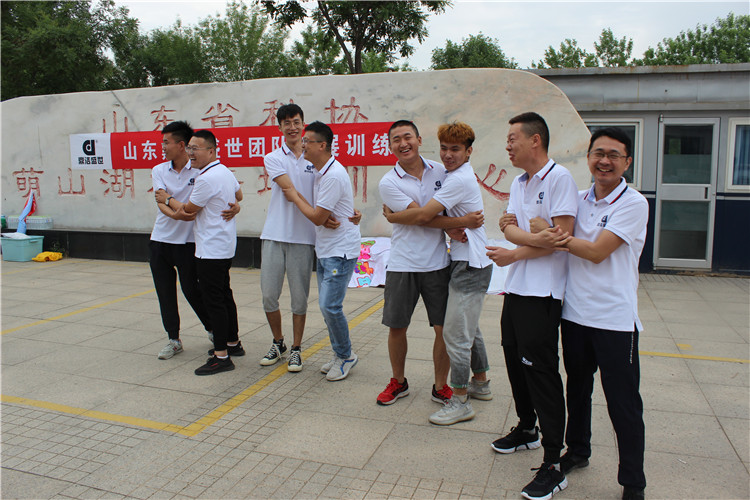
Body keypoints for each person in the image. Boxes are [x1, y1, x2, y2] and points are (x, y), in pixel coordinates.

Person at [535, 128, 648, 500]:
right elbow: (541, 225)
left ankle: (633, 482)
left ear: (627, 162)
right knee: (578, 390)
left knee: (623, 402)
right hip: (575, 314)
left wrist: (553, 235)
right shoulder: (579, 200)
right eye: (598, 153)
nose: (605, 161)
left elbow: (598, 252)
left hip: (614, 320)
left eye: (614, 155)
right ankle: (578, 450)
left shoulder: (633, 203)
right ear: (588, 158)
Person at [485, 112, 577, 500]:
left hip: (543, 293)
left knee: (540, 371)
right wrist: (529, 237)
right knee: (513, 357)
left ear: (535, 140)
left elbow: (561, 238)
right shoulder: (520, 182)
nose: (507, 145)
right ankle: (527, 427)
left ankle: (554, 462)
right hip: (518, 288)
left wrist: (514, 249)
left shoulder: (559, 179)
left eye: (513, 138)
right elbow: (516, 229)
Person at [383, 122, 493, 425]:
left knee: (454, 332)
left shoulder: (448, 175)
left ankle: (458, 398)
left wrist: (393, 217)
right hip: (427, 261)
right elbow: (425, 216)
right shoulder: (391, 181)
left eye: (455, 149)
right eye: (444, 148)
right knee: (466, 328)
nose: (448, 154)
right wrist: (457, 223)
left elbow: (421, 215)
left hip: (460, 262)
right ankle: (480, 382)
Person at [151, 121, 240, 360]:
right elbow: (160, 201)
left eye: (166, 142)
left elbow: (230, 195)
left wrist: (236, 207)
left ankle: (215, 331)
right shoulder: (159, 170)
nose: (163, 147)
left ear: (181, 145)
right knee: (165, 292)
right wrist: (177, 215)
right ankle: (173, 339)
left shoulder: (201, 171)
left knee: (194, 290)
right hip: (161, 238)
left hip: (191, 242)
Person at [281, 121, 361, 381]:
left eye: (307, 141)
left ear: (322, 145)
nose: (302, 145)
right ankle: (340, 353)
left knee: (330, 306)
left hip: (340, 251)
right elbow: (324, 213)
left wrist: (294, 197)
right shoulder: (320, 172)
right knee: (328, 307)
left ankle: (345, 355)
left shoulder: (333, 175)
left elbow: (317, 216)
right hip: (327, 248)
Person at [171, 130, 243, 375]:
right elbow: (239, 195)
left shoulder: (206, 179)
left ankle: (221, 356)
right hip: (224, 245)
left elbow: (188, 210)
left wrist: (167, 199)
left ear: (211, 151)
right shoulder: (225, 171)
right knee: (224, 295)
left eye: (195, 149)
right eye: (189, 148)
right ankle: (233, 343)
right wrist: (235, 206)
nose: (190, 153)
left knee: (214, 302)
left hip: (210, 249)